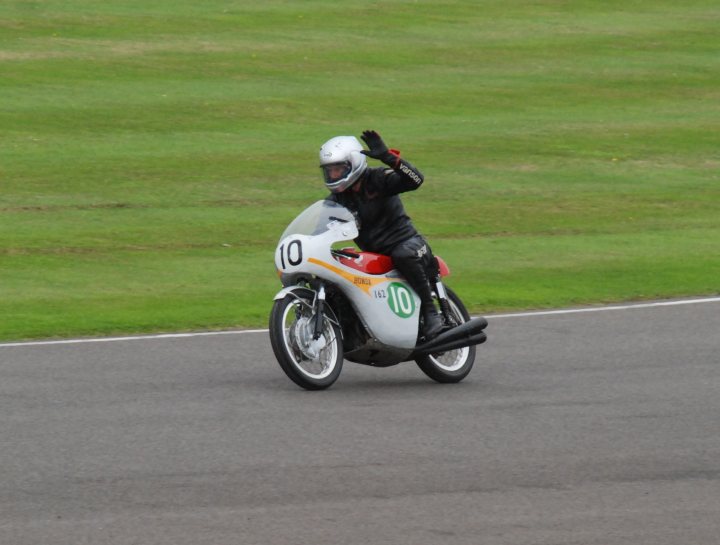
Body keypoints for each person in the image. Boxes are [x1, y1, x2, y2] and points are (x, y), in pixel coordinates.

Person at [320, 130, 445, 340]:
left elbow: (416, 180)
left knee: (403, 254)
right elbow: (319, 231)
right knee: (339, 269)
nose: (333, 175)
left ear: (354, 164)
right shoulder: (335, 201)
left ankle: (431, 312)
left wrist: (389, 158)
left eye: (338, 169)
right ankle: (350, 330)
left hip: (409, 244)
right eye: (329, 170)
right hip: (374, 257)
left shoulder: (377, 179)